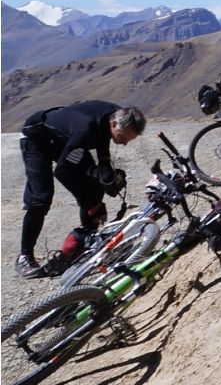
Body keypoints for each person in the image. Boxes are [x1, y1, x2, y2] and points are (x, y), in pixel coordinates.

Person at [16, 101, 145, 278]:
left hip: (64, 139)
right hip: (37, 140)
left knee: (96, 184)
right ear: (114, 124)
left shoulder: (117, 114)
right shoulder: (86, 130)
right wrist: (90, 204)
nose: (124, 144)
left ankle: (86, 241)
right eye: (122, 138)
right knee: (41, 198)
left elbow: (102, 137)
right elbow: (63, 172)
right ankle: (24, 258)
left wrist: (104, 167)